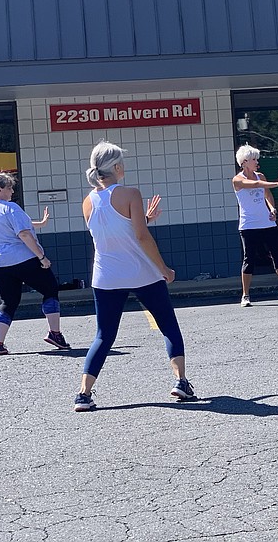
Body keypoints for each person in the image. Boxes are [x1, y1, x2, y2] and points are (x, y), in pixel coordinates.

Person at [74, 140, 195, 411]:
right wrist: (164, 269)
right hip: (141, 273)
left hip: (105, 276)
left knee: (104, 336)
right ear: (116, 166)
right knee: (168, 325)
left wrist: (145, 217)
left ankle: (84, 393)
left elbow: (115, 233)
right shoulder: (130, 194)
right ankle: (181, 382)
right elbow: (140, 236)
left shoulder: (88, 201)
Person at [0, 173, 70, 356]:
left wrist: (39, 223)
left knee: (8, 301)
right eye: (9, 187)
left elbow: (7, 226)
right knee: (50, 289)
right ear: (0, 189)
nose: (12, 191)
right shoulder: (10, 207)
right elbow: (24, 234)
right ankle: (55, 334)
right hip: (22, 259)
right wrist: (42, 257)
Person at [233, 145, 278, 307]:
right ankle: (245, 295)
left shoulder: (261, 176)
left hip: (267, 224)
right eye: (254, 159)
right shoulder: (237, 180)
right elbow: (256, 185)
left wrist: (272, 209)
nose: (257, 162)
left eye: (257, 159)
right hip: (248, 226)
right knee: (249, 259)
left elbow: (267, 194)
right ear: (244, 162)